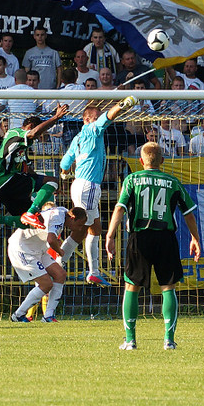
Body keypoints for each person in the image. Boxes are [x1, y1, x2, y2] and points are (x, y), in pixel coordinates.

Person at [105, 142, 200, 350]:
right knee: (168, 287)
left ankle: (130, 340)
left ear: (141, 161)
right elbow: (189, 213)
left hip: (140, 238)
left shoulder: (132, 180)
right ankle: (169, 340)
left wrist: (110, 235)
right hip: (166, 238)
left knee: (131, 285)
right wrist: (195, 238)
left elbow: (120, 209)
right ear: (162, 161)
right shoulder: (173, 182)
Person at [59, 96, 139, 286]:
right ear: (86, 119)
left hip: (79, 185)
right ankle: (57, 263)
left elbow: (65, 162)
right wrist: (122, 105)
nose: (99, 120)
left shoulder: (77, 138)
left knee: (96, 228)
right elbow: (108, 118)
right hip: (88, 186)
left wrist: (63, 173)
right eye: (95, 118)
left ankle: (93, 271)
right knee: (81, 230)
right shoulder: (92, 130)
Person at [0, 107, 69, 234]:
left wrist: (48, 187)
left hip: (4, 189)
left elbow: (29, 170)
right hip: (6, 179)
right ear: (31, 126)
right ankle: (31, 213)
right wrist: (56, 117)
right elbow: (33, 134)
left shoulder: (22, 148)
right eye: (39, 134)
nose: (37, 139)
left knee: (37, 221)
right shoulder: (15, 133)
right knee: (53, 180)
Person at [9, 205, 89, 323]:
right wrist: (59, 250)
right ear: (72, 218)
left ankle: (48, 316)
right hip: (23, 249)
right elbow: (51, 240)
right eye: (79, 225)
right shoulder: (58, 217)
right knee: (46, 284)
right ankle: (18, 315)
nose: (79, 228)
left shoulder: (62, 212)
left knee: (60, 274)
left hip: (38, 249)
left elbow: (49, 234)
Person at [22, 25, 62, 89]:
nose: (40, 37)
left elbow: (59, 69)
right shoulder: (29, 53)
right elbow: (27, 72)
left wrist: (58, 85)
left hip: (50, 88)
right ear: (34, 36)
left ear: (46, 36)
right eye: (37, 35)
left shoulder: (53, 52)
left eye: (42, 35)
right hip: (34, 88)